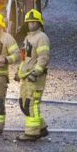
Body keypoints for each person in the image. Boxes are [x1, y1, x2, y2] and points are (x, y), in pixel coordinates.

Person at [16, 9, 50, 142]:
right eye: (29, 22)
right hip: (26, 76)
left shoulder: (42, 37)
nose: (31, 24)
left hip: (35, 77)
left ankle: (32, 133)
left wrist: (36, 72)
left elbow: (44, 57)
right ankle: (41, 128)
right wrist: (19, 72)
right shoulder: (28, 37)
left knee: (31, 104)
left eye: (33, 22)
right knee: (23, 103)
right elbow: (25, 59)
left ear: (39, 23)